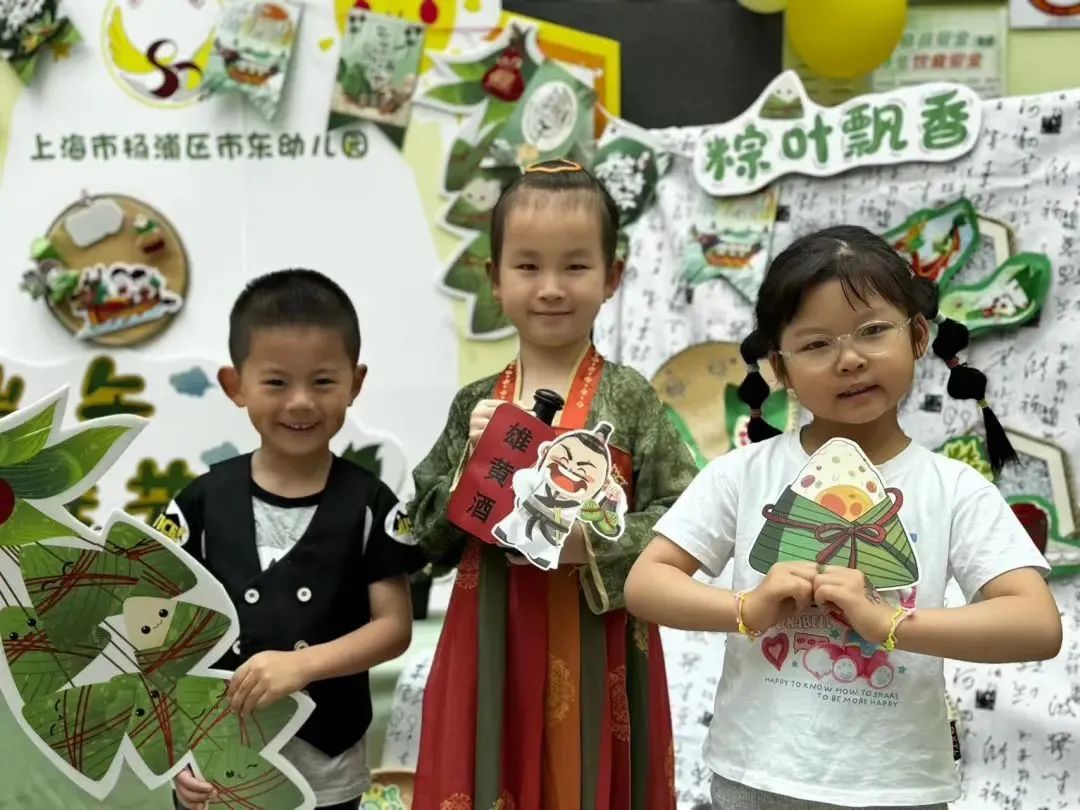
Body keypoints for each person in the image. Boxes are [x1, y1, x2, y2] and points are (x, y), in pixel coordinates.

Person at [625, 226, 1062, 810]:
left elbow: (1036, 624)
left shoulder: (954, 488)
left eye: (873, 331)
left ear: (918, 336)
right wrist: (748, 609)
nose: (850, 359)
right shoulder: (742, 473)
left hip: (899, 790)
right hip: (756, 780)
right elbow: (646, 583)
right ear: (780, 368)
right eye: (816, 344)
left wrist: (889, 623)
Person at [405, 159, 698, 810]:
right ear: (495, 278)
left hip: (601, 645)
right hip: (493, 643)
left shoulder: (630, 399)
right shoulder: (476, 403)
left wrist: (595, 544)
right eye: (528, 266)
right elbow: (423, 538)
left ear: (612, 276)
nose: (551, 288)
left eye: (575, 266)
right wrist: (468, 464)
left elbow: (688, 515)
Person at [162, 269, 416, 810]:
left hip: (327, 770)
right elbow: (163, 635)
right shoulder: (200, 502)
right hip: (217, 760)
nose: (301, 402)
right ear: (235, 385)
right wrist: (176, 751)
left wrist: (303, 665)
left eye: (322, 382)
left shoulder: (371, 503)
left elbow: (394, 628)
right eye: (276, 383)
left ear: (355, 383)